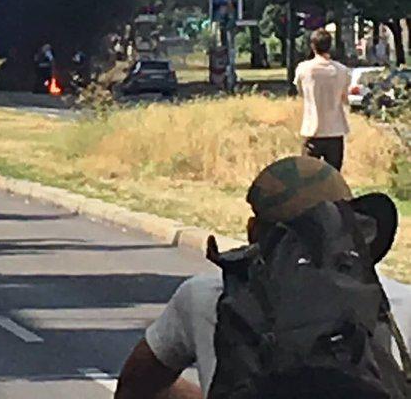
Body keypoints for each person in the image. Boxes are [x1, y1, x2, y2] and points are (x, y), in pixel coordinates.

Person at [116, 156, 411, 399]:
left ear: (253, 232)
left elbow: (136, 387)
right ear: (350, 226)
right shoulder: (400, 304)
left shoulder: (206, 297)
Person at [294, 27, 351, 170]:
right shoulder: (342, 70)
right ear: (329, 46)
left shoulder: (303, 69)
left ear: (312, 46)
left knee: (307, 178)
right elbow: (344, 98)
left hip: (312, 130)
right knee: (334, 178)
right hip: (336, 130)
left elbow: (301, 92)